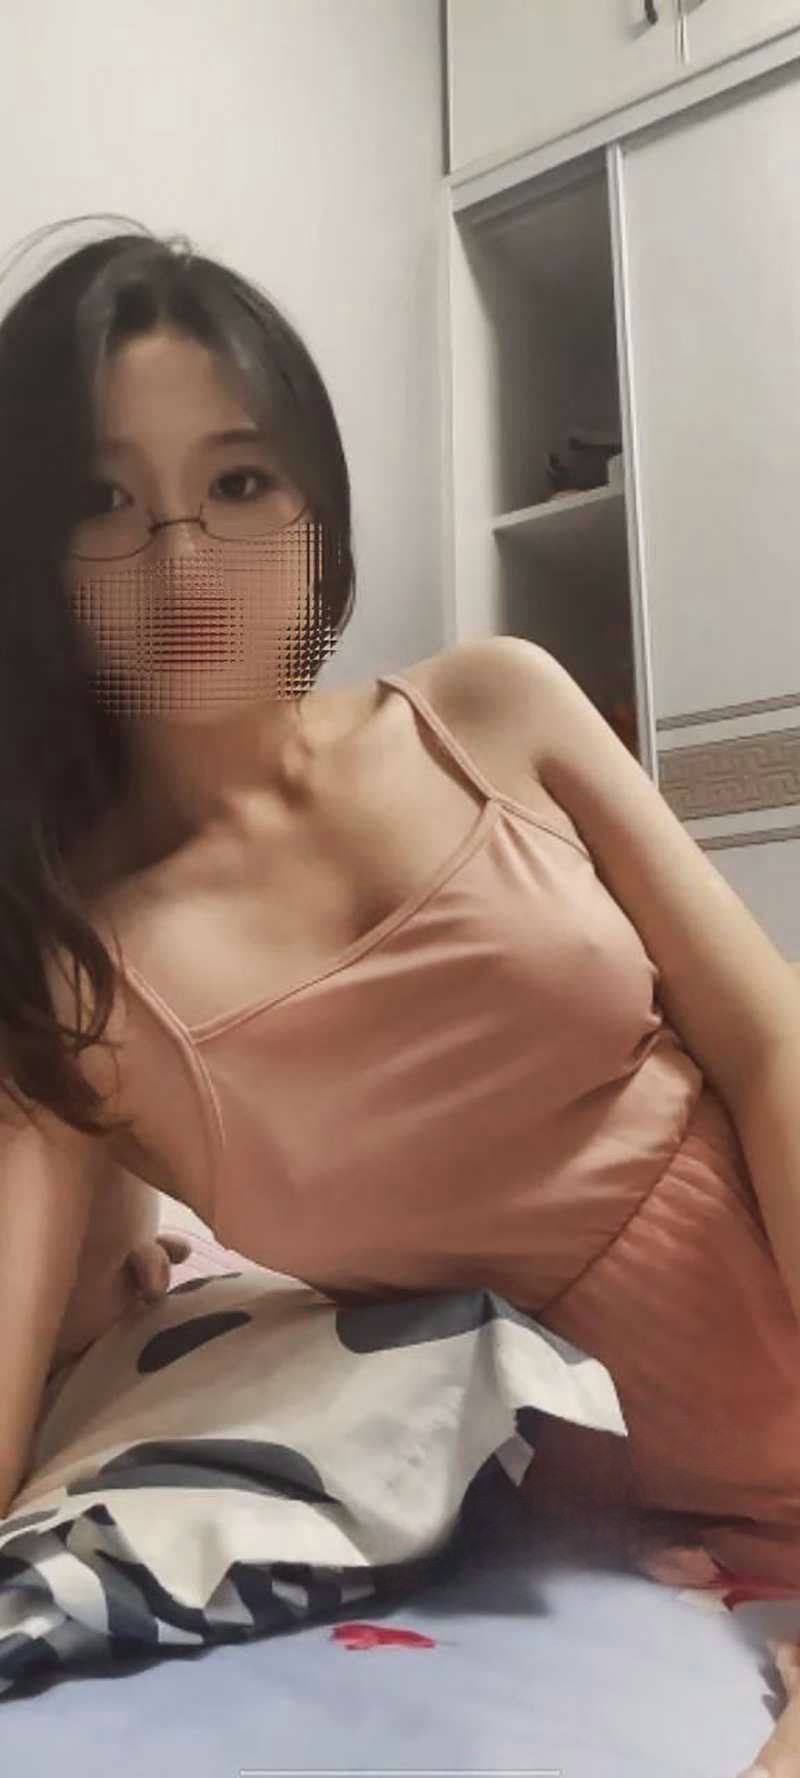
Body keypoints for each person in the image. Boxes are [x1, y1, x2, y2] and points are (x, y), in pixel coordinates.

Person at [0, 215, 799, 1773]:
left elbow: (770, 1041)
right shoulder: (67, 980)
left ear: (316, 511)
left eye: (241, 481)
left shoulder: (495, 704)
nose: (184, 558)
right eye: (105, 499)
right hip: (652, 1473)